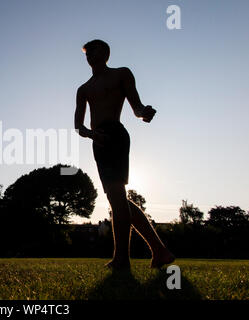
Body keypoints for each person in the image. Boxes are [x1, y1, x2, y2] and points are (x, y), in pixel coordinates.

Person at [74, 39, 175, 269]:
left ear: (106, 53)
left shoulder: (121, 74)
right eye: (86, 52)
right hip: (99, 141)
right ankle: (160, 252)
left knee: (117, 197)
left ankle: (122, 259)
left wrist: (144, 113)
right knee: (117, 199)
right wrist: (92, 135)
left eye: (94, 50)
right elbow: (79, 126)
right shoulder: (84, 89)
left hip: (117, 136)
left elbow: (136, 106)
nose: (89, 54)